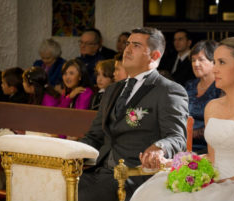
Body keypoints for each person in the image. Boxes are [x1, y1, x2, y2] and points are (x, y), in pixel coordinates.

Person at [130, 37, 234, 201]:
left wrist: (217, 182)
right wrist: (174, 163)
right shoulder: (212, 107)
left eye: (222, 63)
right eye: (215, 62)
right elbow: (213, 157)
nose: (215, 69)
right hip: (212, 180)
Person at [78, 27, 189, 201]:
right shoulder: (113, 89)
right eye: (128, 44)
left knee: (79, 195)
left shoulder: (168, 90)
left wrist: (160, 147)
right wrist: (68, 153)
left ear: (155, 56)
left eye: (136, 45)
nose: (127, 49)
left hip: (133, 174)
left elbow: (177, 138)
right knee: (52, 184)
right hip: (98, 170)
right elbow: (94, 135)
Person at [185, 41, 221, 153]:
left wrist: (193, 133)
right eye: (193, 60)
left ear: (214, 62)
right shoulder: (189, 85)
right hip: (184, 143)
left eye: (201, 60)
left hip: (210, 147)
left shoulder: (220, 88)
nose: (195, 64)